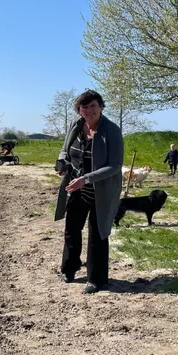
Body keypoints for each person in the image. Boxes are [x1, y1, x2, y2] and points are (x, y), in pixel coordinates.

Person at [54, 89, 124, 294]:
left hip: (101, 190)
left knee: (98, 233)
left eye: (93, 106)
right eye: (84, 107)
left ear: (101, 107)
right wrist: (62, 163)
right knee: (72, 229)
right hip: (76, 187)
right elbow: (65, 150)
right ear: (79, 110)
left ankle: (97, 279)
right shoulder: (75, 126)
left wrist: (86, 179)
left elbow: (115, 165)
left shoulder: (111, 130)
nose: (89, 110)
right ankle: (69, 269)